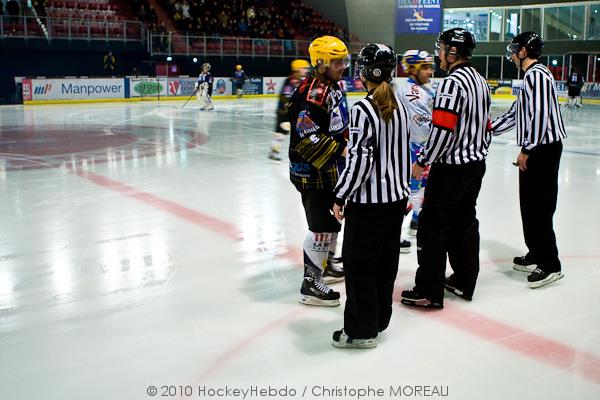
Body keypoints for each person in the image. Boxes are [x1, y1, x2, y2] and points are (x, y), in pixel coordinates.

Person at [400, 28, 491, 308]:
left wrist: (423, 160)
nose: (438, 53)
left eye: (441, 49)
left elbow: (442, 129)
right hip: (475, 165)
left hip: (450, 168)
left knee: (431, 226)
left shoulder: (453, 83)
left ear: (452, 52)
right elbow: (485, 125)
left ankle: (429, 289)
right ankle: (464, 281)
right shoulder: (479, 80)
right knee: (464, 222)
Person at [331, 43, 411, 349]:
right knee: (385, 264)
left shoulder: (363, 109)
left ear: (366, 72)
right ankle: (378, 321)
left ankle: (360, 331)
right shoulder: (400, 105)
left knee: (360, 267)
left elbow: (361, 161)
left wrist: (340, 195)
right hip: (394, 203)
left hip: (369, 206)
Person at [490, 31, 567, 289]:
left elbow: (540, 115)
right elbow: (517, 114)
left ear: (525, 51)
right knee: (529, 205)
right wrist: (487, 129)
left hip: (542, 150)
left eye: (515, 49)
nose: (512, 54)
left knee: (540, 207)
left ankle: (551, 264)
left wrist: (527, 149)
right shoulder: (529, 78)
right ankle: (536, 251)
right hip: (536, 149)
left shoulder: (538, 75)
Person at [288, 35, 350, 306]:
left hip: (329, 170)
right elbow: (306, 137)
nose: (343, 66)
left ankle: (324, 265)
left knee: (332, 222)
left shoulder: (333, 85)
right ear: (321, 62)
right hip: (313, 173)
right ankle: (311, 283)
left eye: (344, 61)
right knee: (320, 227)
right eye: (337, 62)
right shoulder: (314, 92)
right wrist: (341, 149)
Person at [397, 49, 435, 237]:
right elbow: (423, 130)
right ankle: (396, 233)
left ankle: (416, 220)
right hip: (414, 150)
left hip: (419, 149)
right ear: (412, 69)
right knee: (410, 191)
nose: (430, 72)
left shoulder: (423, 89)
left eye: (430, 67)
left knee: (421, 190)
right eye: (425, 68)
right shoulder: (413, 93)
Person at [268, 59, 310, 161]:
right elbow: (286, 97)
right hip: (285, 112)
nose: (306, 70)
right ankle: (274, 151)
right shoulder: (291, 81)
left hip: (291, 112)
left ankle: (274, 150)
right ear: (297, 69)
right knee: (283, 131)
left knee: (284, 132)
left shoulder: (300, 80)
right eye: (304, 68)